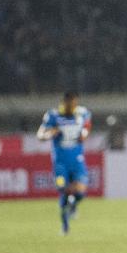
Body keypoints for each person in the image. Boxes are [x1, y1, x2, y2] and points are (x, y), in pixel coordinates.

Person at [37, 91, 92, 234]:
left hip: (77, 160)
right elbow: (40, 135)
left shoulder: (82, 113)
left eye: (75, 103)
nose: (72, 106)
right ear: (64, 102)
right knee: (64, 191)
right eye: (70, 103)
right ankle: (65, 225)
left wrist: (84, 135)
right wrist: (50, 134)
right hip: (60, 163)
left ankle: (73, 206)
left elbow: (87, 126)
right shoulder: (53, 116)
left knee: (80, 192)